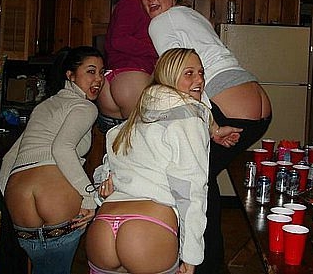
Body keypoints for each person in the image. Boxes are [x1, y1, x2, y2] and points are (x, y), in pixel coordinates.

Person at [139, 0, 273, 274]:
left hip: (230, 103)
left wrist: (210, 125)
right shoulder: (191, 15)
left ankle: (202, 264)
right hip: (257, 105)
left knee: (194, 181)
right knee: (202, 178)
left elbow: (182, 78)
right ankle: (207, 261)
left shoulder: (160, 23)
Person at [86, 48, 237, 274]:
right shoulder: (189, 120)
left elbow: (104, 172)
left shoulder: (131, 123)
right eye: (189, 73)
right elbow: (191, 191)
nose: (199, 80)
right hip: (147, 229)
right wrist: (191, 255)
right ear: (169, 76)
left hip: (103, 228)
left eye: (201, 73)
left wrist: (101, 192)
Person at [0, 46, 105, 274]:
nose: (98, 79)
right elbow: (62, 148)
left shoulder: (42, 106)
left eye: (101, 72)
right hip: (55, 201)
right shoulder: (85, 107)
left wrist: (0, 207)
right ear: (70, 75)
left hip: (19, 210)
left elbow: (9, 158)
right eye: (91, 71)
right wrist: (89, 196)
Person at [97, 0, 158, 133]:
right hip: (132, 77)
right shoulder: (135, 0)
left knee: (119, 145)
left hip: (114, 80)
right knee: (143, 142)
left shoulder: (125, 2)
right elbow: (119, 40)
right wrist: (156, 50)